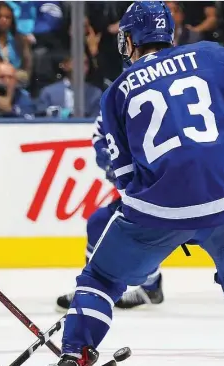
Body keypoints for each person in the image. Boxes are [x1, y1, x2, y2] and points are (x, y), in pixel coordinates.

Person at [24, 2, 224, 366]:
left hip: (158, 211)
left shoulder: (119, 89)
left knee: (100, 280)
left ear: (130, 39)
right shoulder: (212, 55)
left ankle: (72, 363)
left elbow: (122, 175)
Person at [55, 112, 164, 311]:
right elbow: (100, 130)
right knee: (100, 224)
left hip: (168, 192)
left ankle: (95, 290)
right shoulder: (118, 98)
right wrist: (105, 153)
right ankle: (97, 289)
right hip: (147, 193)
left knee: (149, 233)